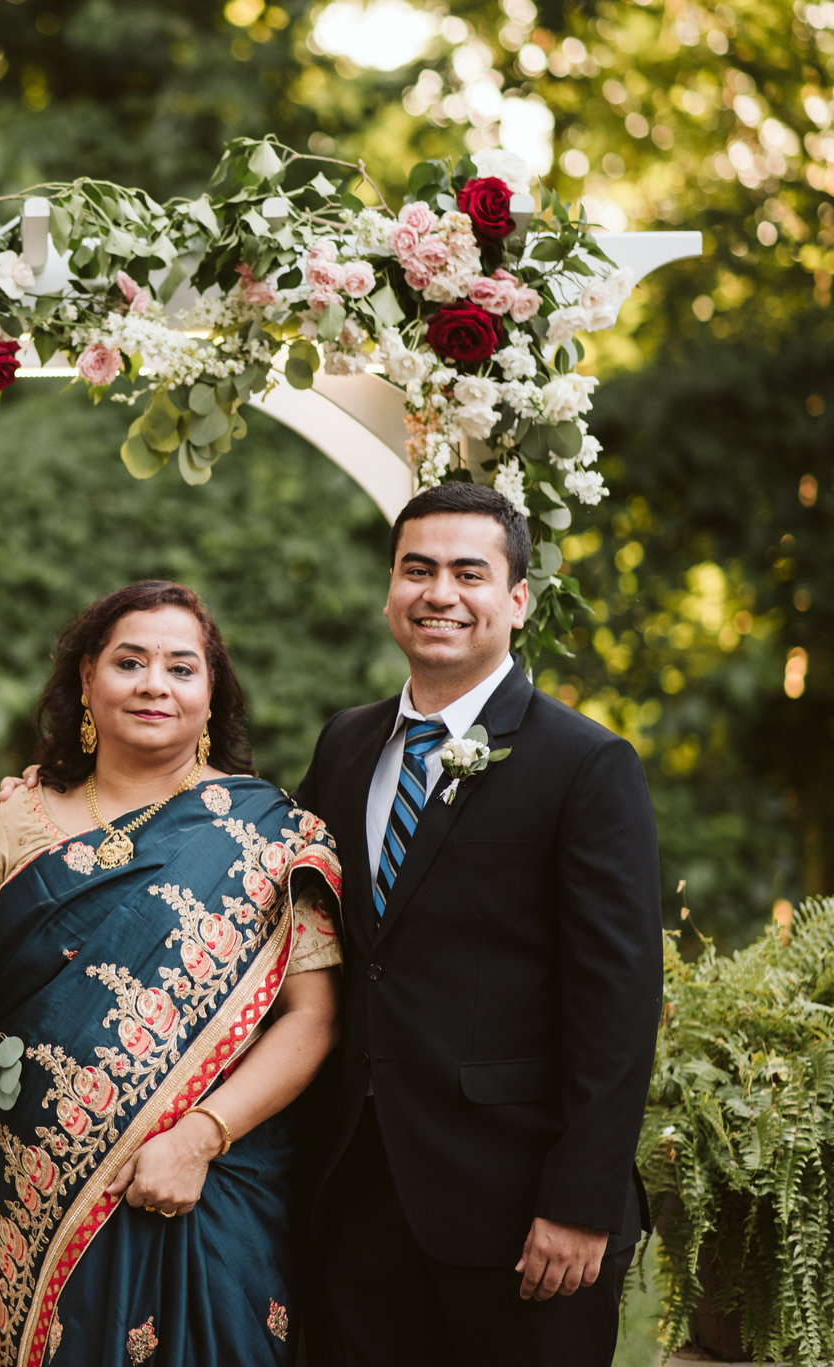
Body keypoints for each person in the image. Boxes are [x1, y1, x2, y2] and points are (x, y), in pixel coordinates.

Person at [292, 482, 661, 1367]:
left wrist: (581, 1201)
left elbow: (619, 1001)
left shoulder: (586, 764)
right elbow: (279, 897)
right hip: (357, 1188)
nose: (441, 593)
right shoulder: (345, 744)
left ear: (518, 598)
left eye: (470, 572)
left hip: (521, 1206)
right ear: (389, 588)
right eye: (417, 569)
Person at [0, 581, 343, 1367]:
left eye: (181, 667)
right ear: (87, 680)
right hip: (34, 1194)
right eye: (130, 661)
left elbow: (313, 1016)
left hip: (218, 1184)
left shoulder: (266, 831)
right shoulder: (13, 823)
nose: (154, 683)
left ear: (211, 693)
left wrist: (200, 1135)